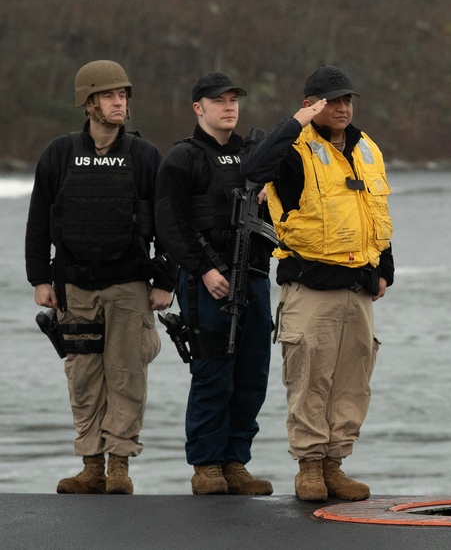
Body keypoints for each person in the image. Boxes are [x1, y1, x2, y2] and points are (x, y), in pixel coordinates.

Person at [241, 65, 393, 502]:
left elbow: (377, 212)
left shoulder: (367, 148)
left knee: (352, 383)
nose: (342, 108)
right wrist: (296, 123)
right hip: (310, 288)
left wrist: (385, 268)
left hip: (359, 289)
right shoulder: (293, 151)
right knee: (309, 380)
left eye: (347, 100)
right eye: (332, 101)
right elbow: (252, 168)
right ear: (311, 105)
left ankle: (334, 465)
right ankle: (309, 466)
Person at [25, 60, 175, 494]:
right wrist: (39, 279)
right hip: (73, 285)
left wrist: (166, 280)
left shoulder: (144, 156)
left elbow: (168, 223)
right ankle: (91, 466)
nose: (119, 102)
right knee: (83, 376)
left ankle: (120, 466)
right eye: (109, 95)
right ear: (88, 103)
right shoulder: (59, 153)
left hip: (129, 283)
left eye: (123, 95)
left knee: (127, 375)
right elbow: (38, 221)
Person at [155, 72, 275, 496]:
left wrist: (271, 195)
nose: (229, 107)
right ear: (198, 108)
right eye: (219, 100)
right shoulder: (182, 158)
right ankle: (206, 465)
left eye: (233, 100)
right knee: (212, 371)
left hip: (254, 276)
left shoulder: (254, 156)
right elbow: (170, 224)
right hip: (206, 283)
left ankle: (235, 462)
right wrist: (204, 270)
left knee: (252, 372)